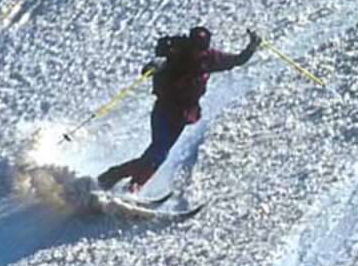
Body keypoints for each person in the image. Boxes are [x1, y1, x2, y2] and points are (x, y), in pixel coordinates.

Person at [97, 26, 262, 192]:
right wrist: (153, 66)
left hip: (183, 116)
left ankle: (127, 184)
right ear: (190, 44)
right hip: (164, 111)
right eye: (196, 48)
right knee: (158, 152)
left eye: (202, 50)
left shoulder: (209, 58)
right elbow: (149, 69)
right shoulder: (174, 55)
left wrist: (252, 47)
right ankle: (121, 179)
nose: (198, 53)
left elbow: (237, 60)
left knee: (158, 155)